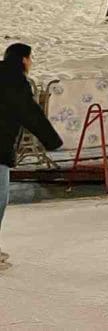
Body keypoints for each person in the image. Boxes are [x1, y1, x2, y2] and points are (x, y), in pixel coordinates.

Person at [1, 43, 63, 271]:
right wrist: (52, 140)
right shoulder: (15, 81)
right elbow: (29, 112)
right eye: (31, 59)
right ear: (24, 60)